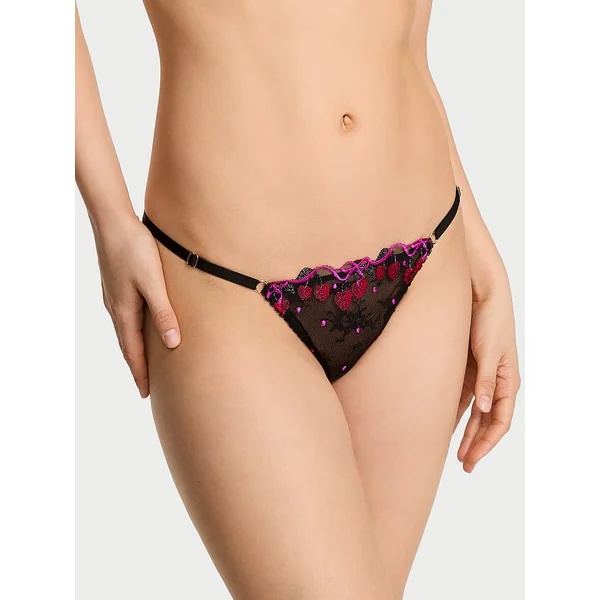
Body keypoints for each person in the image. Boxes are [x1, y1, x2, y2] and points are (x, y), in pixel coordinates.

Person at [76, 1, 520, 598]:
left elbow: (405, 40)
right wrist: (109, 219)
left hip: (426, 259)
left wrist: (482, 257)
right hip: (226, 288)